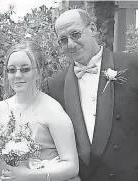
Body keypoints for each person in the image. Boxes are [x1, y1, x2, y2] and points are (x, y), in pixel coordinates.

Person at [46, 9, 138, 181]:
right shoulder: (55, 85)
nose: (71, 44)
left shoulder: (133, 66)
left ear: (93, 29)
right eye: (63, 40)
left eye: (75, 34)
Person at [0, 41, 80, 181]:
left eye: (25, 69)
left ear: (37, 72)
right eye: (12, 70)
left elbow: (71, 166)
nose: (18, 75)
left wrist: (28, 175)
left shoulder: (52, 110)